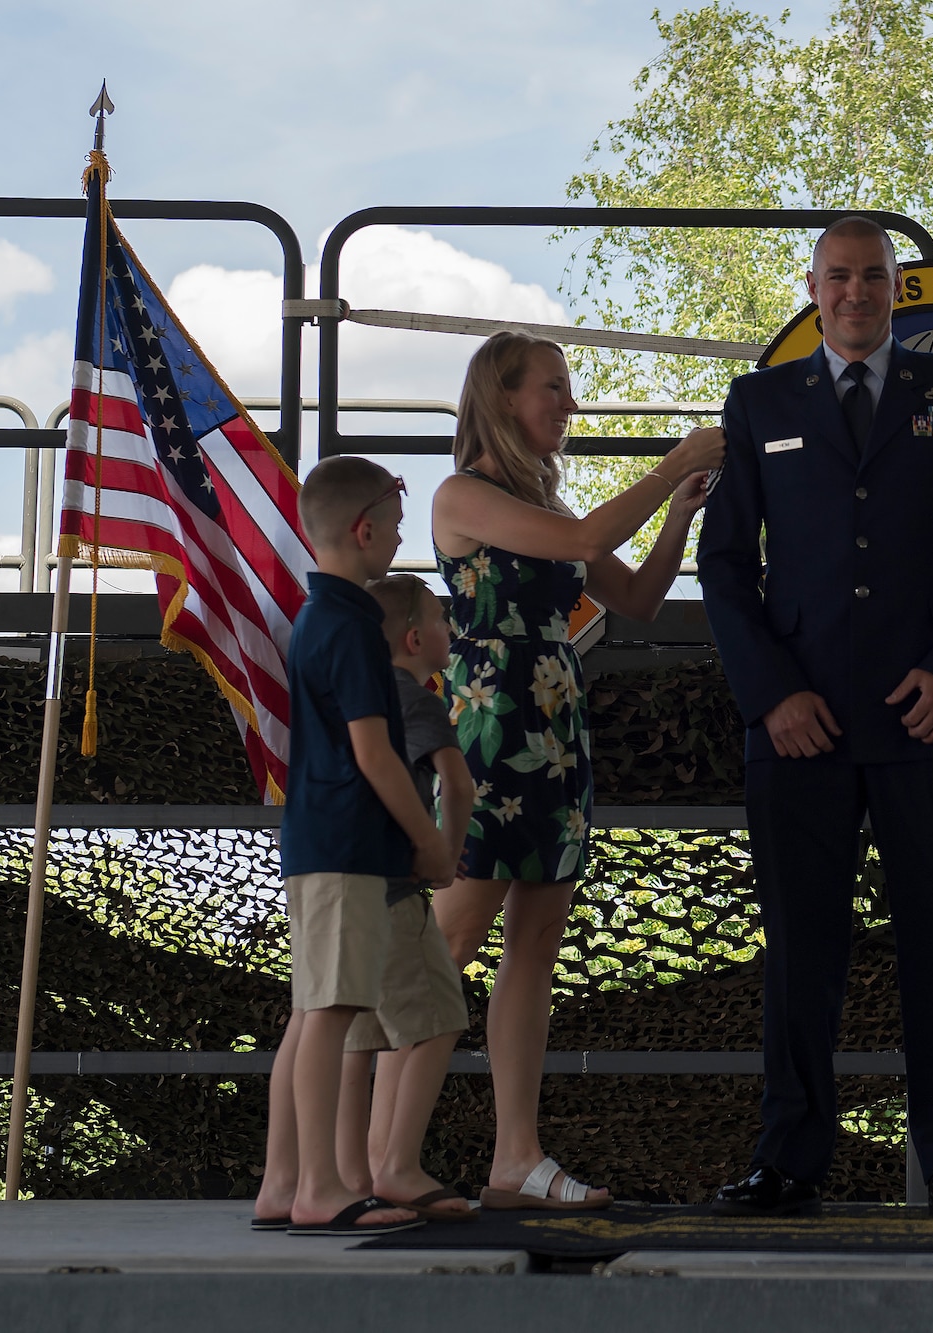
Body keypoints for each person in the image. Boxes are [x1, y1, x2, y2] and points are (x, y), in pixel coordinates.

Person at [697, 216, 933, 1219]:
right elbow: (723, 564)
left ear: (896, 287)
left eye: (872, 277)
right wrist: (770, 694)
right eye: (836, 277)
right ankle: (788, 1161)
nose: (853, 293)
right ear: (811, 285)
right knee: (800, 950)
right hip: (800, 728)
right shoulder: (759, 402)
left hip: (926, 720)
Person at [429, 331, 723, 1210]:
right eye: (552, 389)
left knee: (535, 947)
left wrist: (679, 514)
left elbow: (635, 599)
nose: (569, 404)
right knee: (447, 942)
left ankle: (515, 1158)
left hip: (554, 730)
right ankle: (358, 1146)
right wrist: (672, 465)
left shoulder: (548, 511)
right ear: (499, 396)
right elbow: (593, 534)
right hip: (489, 732)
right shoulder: (462, 494)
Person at [254, 455, 448, 1237]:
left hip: (319, 839)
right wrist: (428, 837)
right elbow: (376, 752)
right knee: (329, 1012)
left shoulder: (315, 619)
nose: (400, 541)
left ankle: (284, 1180)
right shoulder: (354, 627)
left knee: (313, 1012)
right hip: (345, 843)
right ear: (364, 530)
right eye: (397, 528)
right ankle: (320, 1188)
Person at [331, 575, 476, 1222]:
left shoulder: (352, 696)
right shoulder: (414, 699)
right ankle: (398, 1164)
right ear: (415, 639)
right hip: (394, 893)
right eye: (444, 620)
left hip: (344, 888)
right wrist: (444, 853)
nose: (451, 631)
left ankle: (354, 1172)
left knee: (362, 1035)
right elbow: (458, 780)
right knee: (441, 1019)